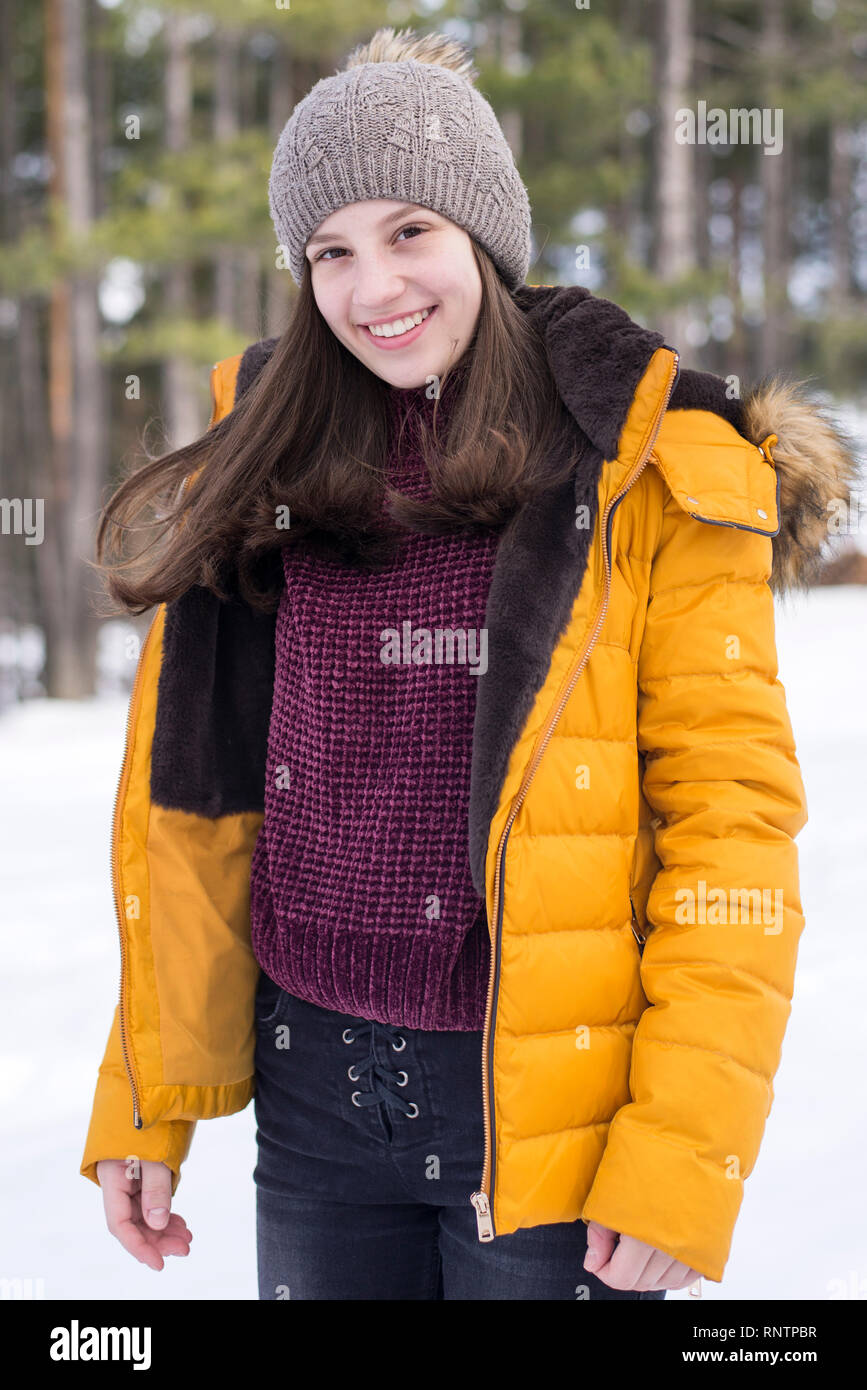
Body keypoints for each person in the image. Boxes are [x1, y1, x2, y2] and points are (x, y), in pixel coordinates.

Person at [81, 26, 856, 1300]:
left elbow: (733, 831)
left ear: (487, 240)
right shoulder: (266, 466)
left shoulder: (648, 468)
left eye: (408, 232)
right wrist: (144, 1101)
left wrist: (680, 1156)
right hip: (312, 1104)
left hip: (547, 1116)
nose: (370, 284)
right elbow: (197, 810)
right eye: (328, 250)